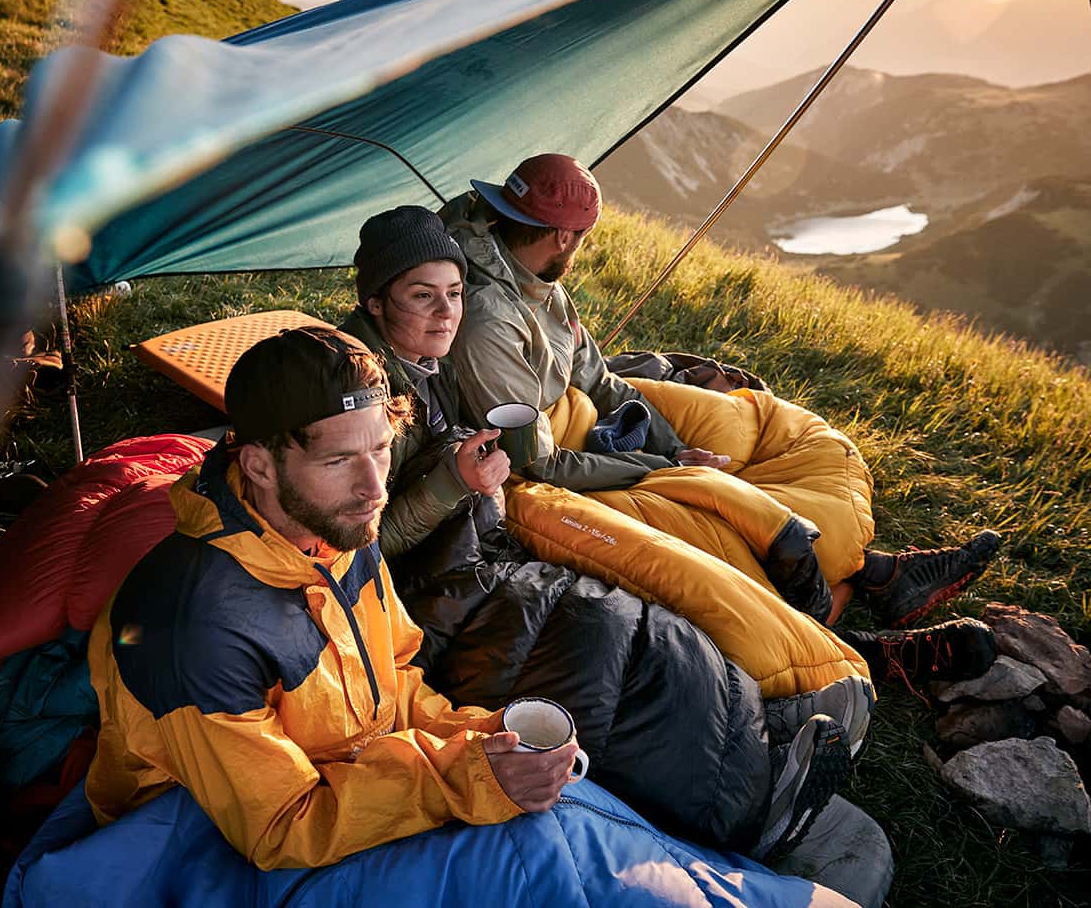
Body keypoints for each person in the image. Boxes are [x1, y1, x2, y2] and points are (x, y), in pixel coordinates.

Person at [337, 205, 869, 864]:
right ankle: (754, 818)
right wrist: (450, 485)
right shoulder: (357, 392)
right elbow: (352, 543)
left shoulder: (421, 363)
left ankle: (761, 721)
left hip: (470, 555)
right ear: (375, 301)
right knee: (592, 664)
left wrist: (474, 471)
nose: (448, 312)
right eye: (423, 297)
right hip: (411, 600)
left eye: (453, 293)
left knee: (631, 619)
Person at [442, 153, 1002, 641]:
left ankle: (875, 575)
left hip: (574, 418)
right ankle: (864, 589)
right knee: (704, 512)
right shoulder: (490, 318)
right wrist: (658, 465)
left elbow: (599, 378)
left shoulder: (537, 280)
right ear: (563, 236)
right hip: (519, 466)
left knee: (755, 429)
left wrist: (677, 446)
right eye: (581, 238)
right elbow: (535, 462)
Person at [82, 325, 582, 870]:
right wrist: (463, 778)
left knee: (566, 838)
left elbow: (394, 680)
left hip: (347, 784)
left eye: (381, 449)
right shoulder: (196, 628)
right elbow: (279, 828)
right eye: (338, 460)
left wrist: (486, 739)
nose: (374, 488)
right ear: (259, 466)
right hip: (194, 842)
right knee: (529, 870)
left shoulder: (337, 531)